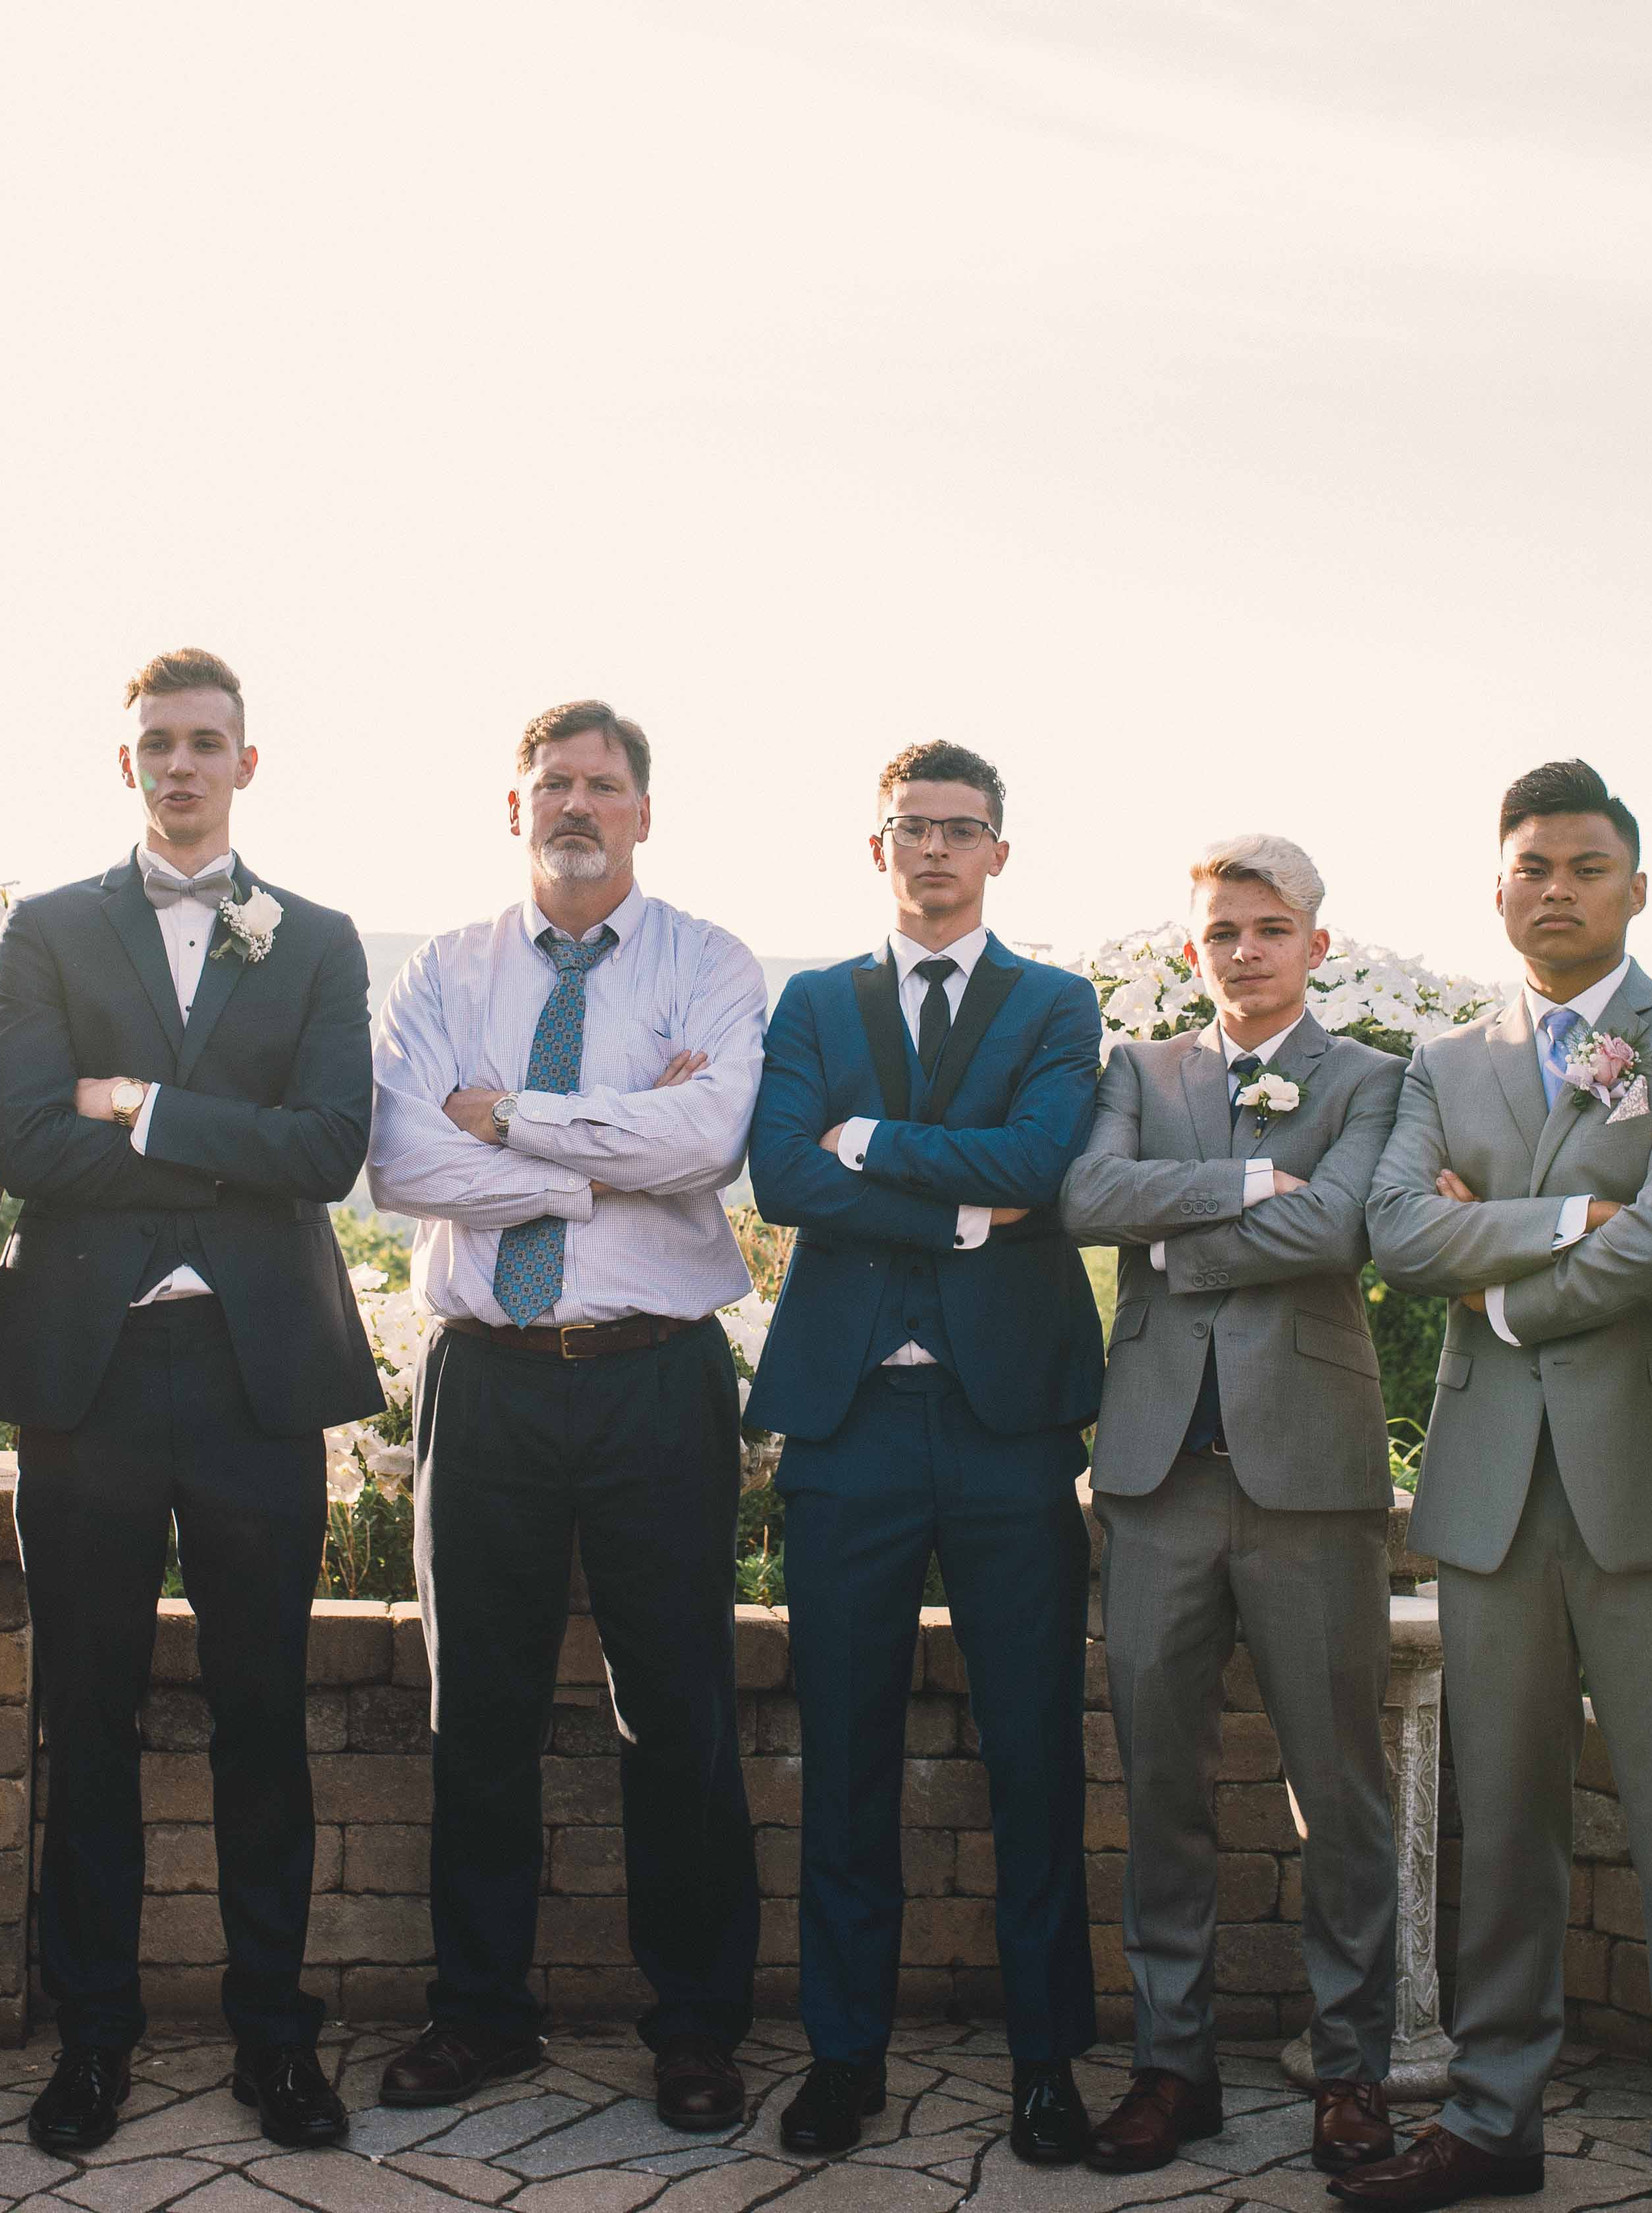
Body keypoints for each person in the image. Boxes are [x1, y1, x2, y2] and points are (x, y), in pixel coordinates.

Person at [0, 650, 382, 2155]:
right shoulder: (52, 929)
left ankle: (276, 2036)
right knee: (87, 1716)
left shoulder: (320, 939)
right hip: (89, 1379)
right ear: (123, 762)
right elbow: (24, 1144)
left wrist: (134, 1106)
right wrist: (229, 1145)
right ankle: (94, 2039)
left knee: (261, 1715)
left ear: (247, 765)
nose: (181, 766)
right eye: (156, 745)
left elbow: (329, 1148)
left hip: (257, 1381)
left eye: (207, 743)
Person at [1354, 761, 1652, 2213]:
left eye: (1584, 865)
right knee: (1502, 1820)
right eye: (1529, 863)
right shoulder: (1440, 1060)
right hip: (1487, 1492)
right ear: (1494, 885)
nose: (1554, 887)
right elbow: (1398, 1231)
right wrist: (1571, 1213)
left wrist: (1511, 1284)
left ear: (1635, 888)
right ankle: (1489, 2121)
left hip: (1651, 1487)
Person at [366, 700, 771, 2132]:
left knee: (676, 1712)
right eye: (552, 785)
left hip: (657, 1372)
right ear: (515, 807)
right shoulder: (443, 969)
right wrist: (603, 1149)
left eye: (602, 785)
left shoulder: (709, 963)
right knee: (475, 1710)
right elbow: (398, 1162)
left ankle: (696, 2027)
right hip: (489, 1381)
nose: (576, 806)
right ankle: (481, 2015)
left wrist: (512, 1119)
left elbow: (712, 1137)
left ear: (643, 812)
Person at [744, 741, 1107, 2165]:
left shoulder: (1054, 1002)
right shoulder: (812, 1000)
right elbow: (779, 1176)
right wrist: (955, 1216)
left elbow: (1039, 1165)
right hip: (848, 1423)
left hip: (1009, 1424)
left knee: (1033, 1753)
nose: (935, 850)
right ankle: (842, 2056)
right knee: (842, 1755)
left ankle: (1043, 2063)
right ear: (876, 844)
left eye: (962, 830)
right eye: (912, 828)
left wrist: (878, 1145)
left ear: (999, 853)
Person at [1053, 834, 1406, 2179]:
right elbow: (1085, 1196)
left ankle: (1352, 2073)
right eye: (1220, 931)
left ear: (1317, 942)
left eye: (1268, 927)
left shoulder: (1373, 1079)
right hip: (1152, 1481)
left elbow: (1340, 1233)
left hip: (1309, 1481)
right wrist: (1251, 1185)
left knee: (1340, 1791)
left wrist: (1167, 1230)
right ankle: (1170, 2065)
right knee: (1159, 1787)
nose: (1243, 949)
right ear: (1191, 946)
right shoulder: (1136, 1072)